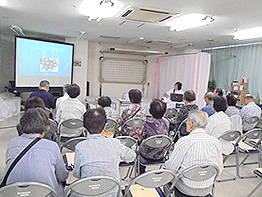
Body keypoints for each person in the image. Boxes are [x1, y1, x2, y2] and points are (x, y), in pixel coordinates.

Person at [4, 108, 68, 197]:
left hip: (14, 193)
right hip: (45, 193)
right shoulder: (52, 146)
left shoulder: (12, 143)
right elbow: (62, 176)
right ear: (45, 129)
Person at [73, 108, 136, 197]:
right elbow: (132, 156)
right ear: (105, 126)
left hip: (87, 193)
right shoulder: (115, 143)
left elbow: (76, 174)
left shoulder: (80, 147)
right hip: (113, 193)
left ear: (85, 128)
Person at [165, 110, 223, 197]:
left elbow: (171, 168)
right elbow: (219, 168)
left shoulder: (184, 142)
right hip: (207, 188)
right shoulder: (215, 142)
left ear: (191, 124)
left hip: (186, 188)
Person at [139, 99, 169, 173]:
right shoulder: (167, 122)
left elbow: (142, 136)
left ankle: (141, 171)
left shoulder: (147, 123)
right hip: (161, 153)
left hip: (147, 154)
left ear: (150, 111)